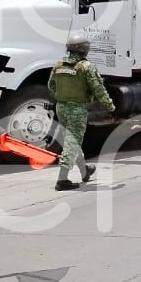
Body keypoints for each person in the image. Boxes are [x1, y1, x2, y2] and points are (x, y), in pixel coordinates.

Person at [47, 33, 116, 190]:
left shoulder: (58, 65)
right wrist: (110, 106)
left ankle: (85, 171)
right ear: (84, 49)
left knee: (71, 140)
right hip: (77, 109)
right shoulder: (86, 67)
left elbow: (51, 86)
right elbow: (98, 89)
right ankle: (62, 180)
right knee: (73, 142)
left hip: (61, 107)